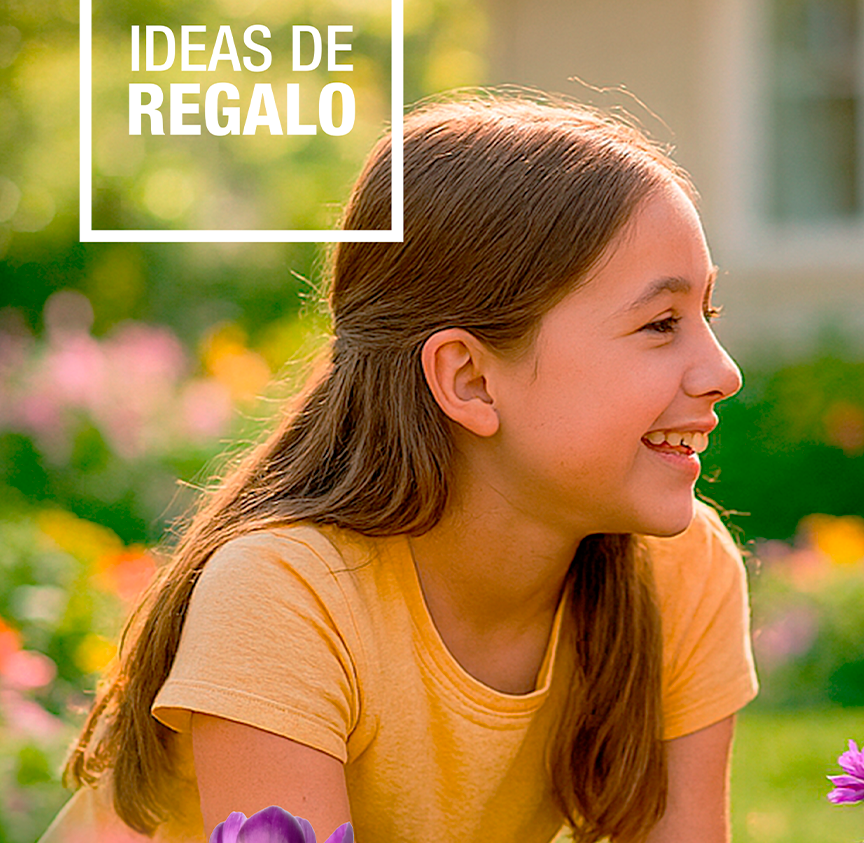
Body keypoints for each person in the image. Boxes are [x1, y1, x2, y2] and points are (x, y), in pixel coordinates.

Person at [40, 96, 755, 843]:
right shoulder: (284, 597)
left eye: (708, 315)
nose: (723, 371)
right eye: (660, 324)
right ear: (470, 379)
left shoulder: (677, 573)